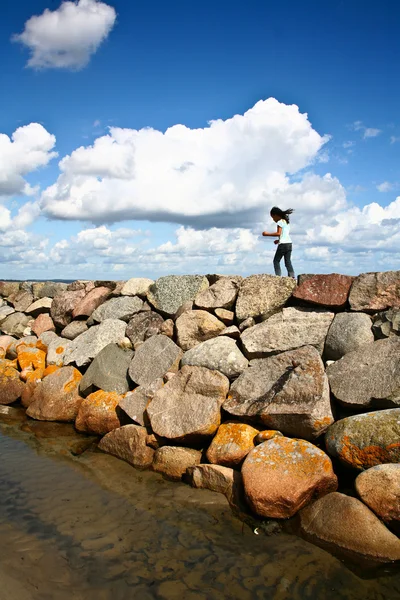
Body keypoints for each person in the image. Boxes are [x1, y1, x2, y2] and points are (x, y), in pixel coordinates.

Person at [262, 207, 295, 278]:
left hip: (283, 244)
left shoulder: (280, 222)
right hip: (289, 243)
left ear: (276, 215)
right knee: (288, 261)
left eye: (273, 217)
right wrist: (278, 240)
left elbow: (278, 233)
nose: (273, 219)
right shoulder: (286, 222)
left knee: (276, 261)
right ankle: (292, 276)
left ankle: (278, 277)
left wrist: (267, 234)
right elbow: (284, 234)